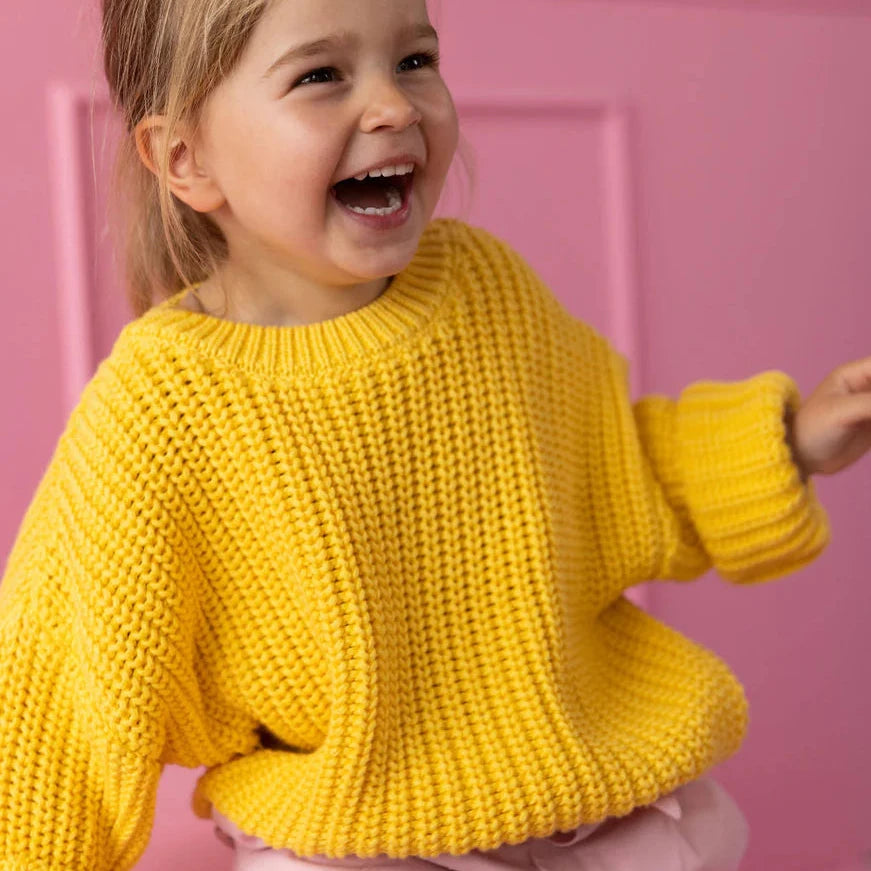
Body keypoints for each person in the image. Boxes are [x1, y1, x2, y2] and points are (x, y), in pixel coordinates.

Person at [1, 0, 869, 868]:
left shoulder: (482, 290)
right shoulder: (161, 406)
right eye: (320, 76)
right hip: (350, 840)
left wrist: (790, 441)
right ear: (185, 159)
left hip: (602, 812)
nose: (394, 107)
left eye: (414, 60)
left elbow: (611, 477)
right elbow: (62, 684)